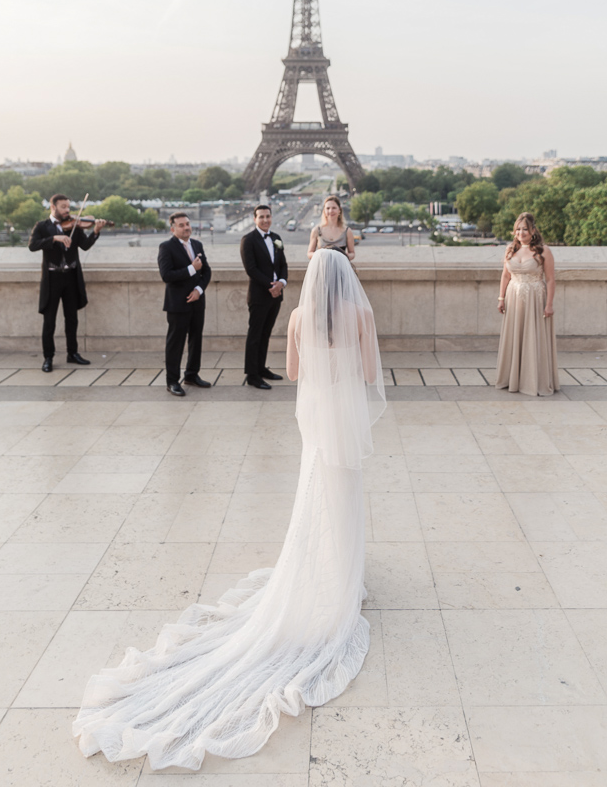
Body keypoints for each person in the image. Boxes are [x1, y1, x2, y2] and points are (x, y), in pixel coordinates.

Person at [73, 248, 386, 771]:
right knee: (345, 494)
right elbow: (371, 370)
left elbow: (290, 374)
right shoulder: (362, 314)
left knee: (315, 498)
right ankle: (342, 578)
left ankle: (322, 571)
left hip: (316, 421)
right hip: (344, 419)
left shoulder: (302, 316)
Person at [28, 194, 106, 372]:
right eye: (63, 207)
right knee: (49, 321)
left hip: (71, 277)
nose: (67, 211)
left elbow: (85, 245)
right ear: (53, 207)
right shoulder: (42, 226)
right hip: (52, 278)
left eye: (68, 207)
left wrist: (96, 232)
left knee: (72, 318)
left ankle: (73, 353)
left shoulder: (75, 226)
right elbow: (32, 245)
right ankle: (48, 357)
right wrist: (55, 238)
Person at [495, 211, 559, 396]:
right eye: (518, 229)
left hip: (535, 299)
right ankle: (512, 378)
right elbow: (505, 275)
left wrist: (549, 304)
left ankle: (532, 380)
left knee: (533, 336)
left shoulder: (543, 251)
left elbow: (551, 280)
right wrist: (501, 298)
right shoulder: (510, 249)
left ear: (533, 230)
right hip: (513, 297)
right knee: (514, 336)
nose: (521, 233)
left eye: (525, 229)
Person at [158, 212, 212, 397]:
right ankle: (172, 381)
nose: (186, 227)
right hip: (177, 304)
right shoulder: (166, 247)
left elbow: (207, 271)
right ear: (173, 229)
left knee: (196, 340)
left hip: (197, 302)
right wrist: (191, 269)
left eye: (187, 224)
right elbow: (166, 275)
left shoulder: (197, 244)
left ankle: (191, 375)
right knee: (175, 344)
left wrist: (199, 290)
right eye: (181, 225)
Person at [240, 204, 288, 390]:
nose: (265, 220)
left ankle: (261, 368)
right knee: (255, 335)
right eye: (261, 217)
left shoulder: (276, 238)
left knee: (265, 334)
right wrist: (271, 286)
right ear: (254, 219)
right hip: (260, 295)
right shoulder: (248, 240)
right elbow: (251, 269)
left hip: (276, 295)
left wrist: (281, 283)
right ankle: (252, 375)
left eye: (268, 216)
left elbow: (283, 264)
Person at [307, 193, 355, 261]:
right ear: (324, 211)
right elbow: (309, 253)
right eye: (328, 208)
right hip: (322, 267)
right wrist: (320, 255)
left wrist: (344, 256)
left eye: (334, 208)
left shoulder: (347, 231)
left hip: (341, 268)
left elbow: (352, 253)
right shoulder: (316, 230)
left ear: (339, 210)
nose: (330, 211)